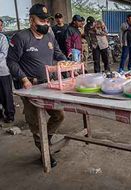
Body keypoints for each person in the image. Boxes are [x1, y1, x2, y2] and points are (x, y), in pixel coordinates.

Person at [6, 4, 67, 168]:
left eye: (47, 20)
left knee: (58, 116)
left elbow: (57, 53)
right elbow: (11, 61)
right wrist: (23, 78)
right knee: (35, 122)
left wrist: (65, 61)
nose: (46, 23)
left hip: (48, 84)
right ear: (32, 20)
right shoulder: (21, 38)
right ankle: (44, 152)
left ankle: (45, 141)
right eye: (42, 20)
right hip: (30, 87)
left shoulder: (50, 37)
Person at [0, 19, 15, 123]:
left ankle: (10, 115)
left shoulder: (2, 38)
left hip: (3, 71)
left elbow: (3, 54)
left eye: (1, 25)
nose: (0, 27)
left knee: (6, 94)